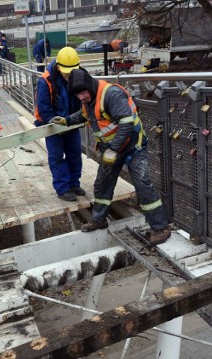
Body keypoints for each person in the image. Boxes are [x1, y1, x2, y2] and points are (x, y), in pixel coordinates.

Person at [65, 68, 171, 244]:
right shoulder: (89, 99)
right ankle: (99, 220)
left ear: (89, 87)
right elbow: (85, 116)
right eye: (78, 95)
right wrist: (67, 120)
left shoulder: (111, 94)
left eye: (83, 93)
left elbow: (127, 124)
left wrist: (113, 151)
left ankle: (161, 228)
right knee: (102, 183)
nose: (81, 97)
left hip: (132, 147)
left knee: (142, 184)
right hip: (112, 149)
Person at [33, 47, 85, 202]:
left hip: (71, 122)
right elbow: (43, 109)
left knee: (75, 154)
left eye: (71, 72)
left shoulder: (79, 74)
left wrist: (76, 118)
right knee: (56, 157)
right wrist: (55, 125)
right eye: (65, 72)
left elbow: (84, 97)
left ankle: (74, 184)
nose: (68, 75)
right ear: (58, 66)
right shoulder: (46, 80)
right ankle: (63, 188)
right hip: (52, 125)